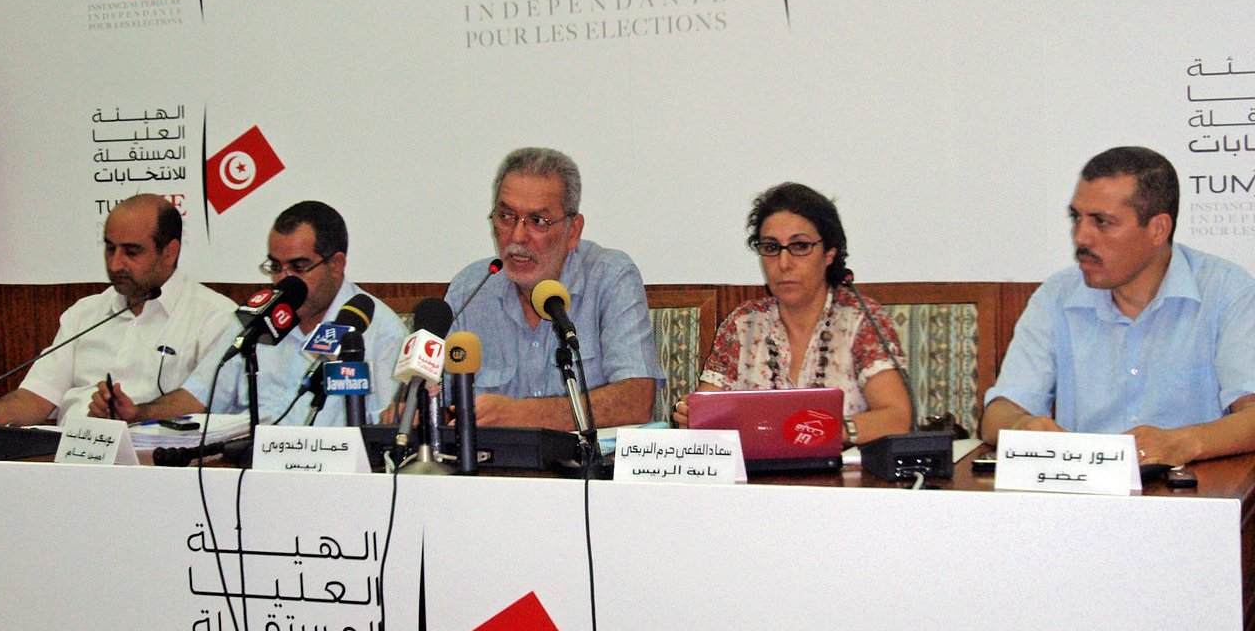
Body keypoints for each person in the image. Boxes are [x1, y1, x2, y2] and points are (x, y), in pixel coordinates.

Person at [981, 146, 1255, 465]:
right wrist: (1021, 426)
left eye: (1102, 222)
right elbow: (998, 413)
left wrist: (1181, 443)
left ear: (1157, 229)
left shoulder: (1226, 292)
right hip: (1084, 493)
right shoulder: (1056, 296)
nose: (1081, 237)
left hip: (1193, 491)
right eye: (1077, 218)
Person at [90, 201, 408, 426]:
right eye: (275, 266)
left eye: (298, 267)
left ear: (336, 265)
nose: (284, 280)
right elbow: (200, 396)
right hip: (248, 474)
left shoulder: (381, 331)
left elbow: (387, 428)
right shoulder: (258, 318)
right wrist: (137, 413)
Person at [671, 182, 912, 446]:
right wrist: (691, 416)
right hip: (758, 481)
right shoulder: (744, 325)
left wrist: (815, 431)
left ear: (829, 253)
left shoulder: (860, 321)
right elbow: (705, 411)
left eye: (799, 247)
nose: (784, 264)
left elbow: (897, 417)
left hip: (842, 480)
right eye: (772, 248)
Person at [443, 147, 665, 430]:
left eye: (538, 221)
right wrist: (414, 411)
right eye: (506, 217)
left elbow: (635, 402)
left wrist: (522, 415)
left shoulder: (610, 276)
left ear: (573, 231)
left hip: (587, 470)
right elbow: (439, 396)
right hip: (491, 469)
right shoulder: (470, 288)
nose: (517, 236)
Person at [0, 194, 235, 426]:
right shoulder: (84, 313)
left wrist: (135, 414)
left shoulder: (215, 317)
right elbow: (36, 397)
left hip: (155, 465)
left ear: (170, 252)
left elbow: (202, 401)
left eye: (132, 252)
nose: (115, 263)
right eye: (110, 248)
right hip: (69, 455)